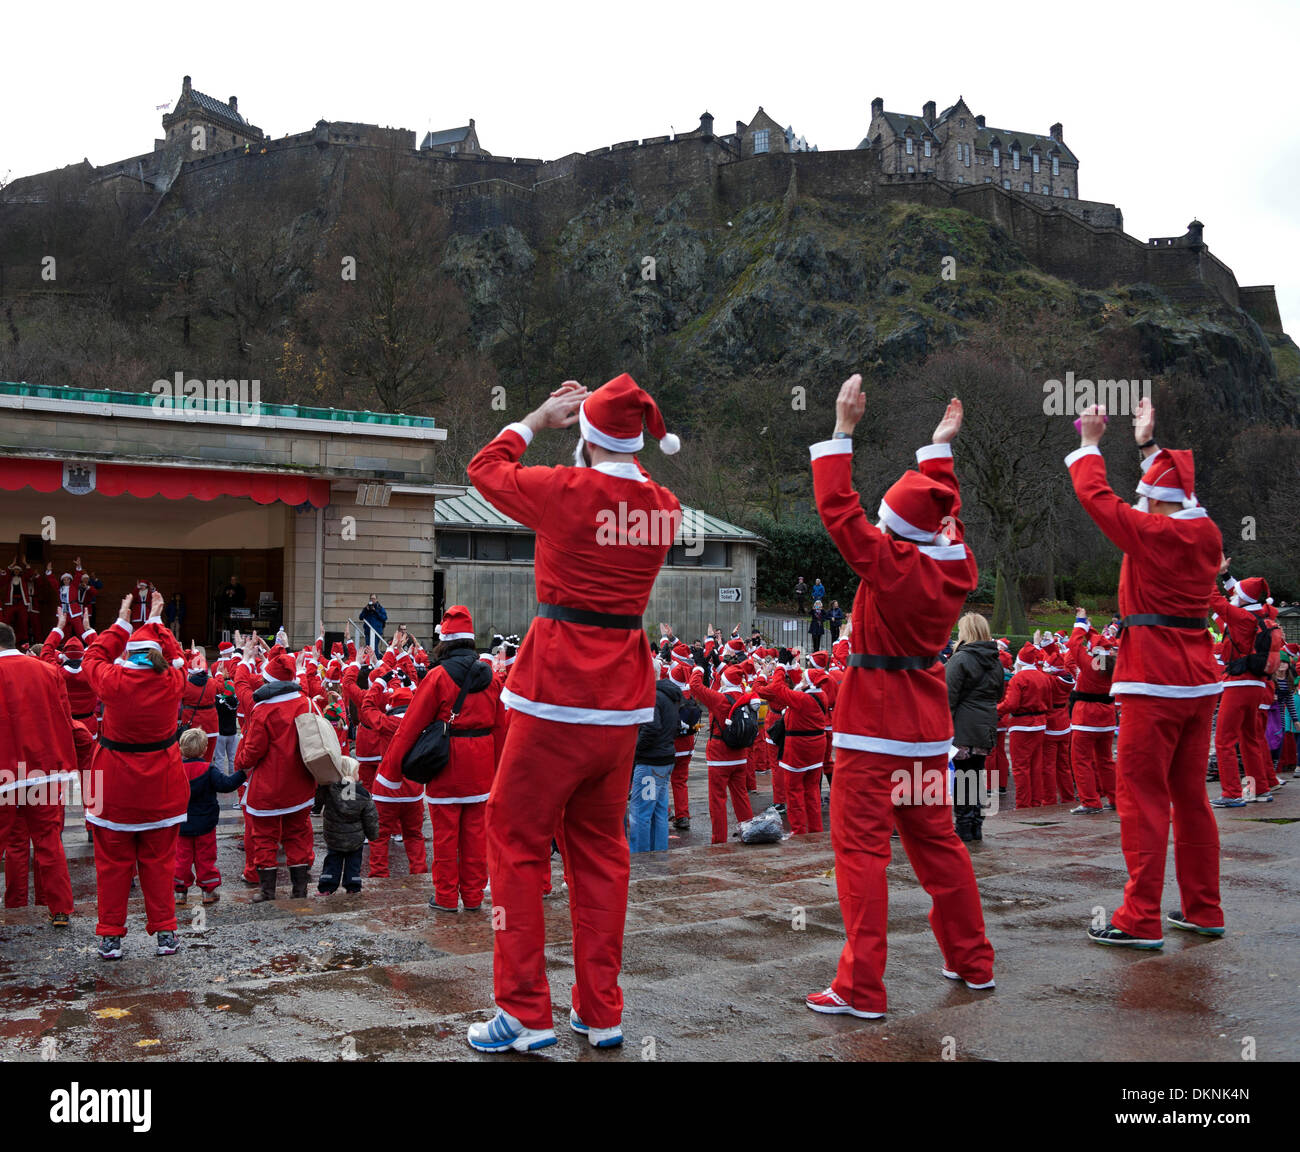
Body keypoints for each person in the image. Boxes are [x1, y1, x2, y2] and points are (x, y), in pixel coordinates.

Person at [463, 373, 681, 1054]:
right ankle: (601, 1010)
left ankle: (525, 1011)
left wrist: (536, 416)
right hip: (621, 701)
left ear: (584, 439)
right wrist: (600, 424)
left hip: (555, 690)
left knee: (515, 838)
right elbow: (628, 465)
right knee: (601, 852)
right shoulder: (665, 506)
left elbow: (485, 468)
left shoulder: (565, 489)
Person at [804, 378, 994, 1019]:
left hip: (870, 727)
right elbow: (948, 511)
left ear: (896, 534)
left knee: (860, 854)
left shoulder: (889, 563)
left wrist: (842, 430)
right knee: (940, 846)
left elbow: (839, 512)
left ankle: (861, 988)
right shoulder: (956, 561)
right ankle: (973, 961)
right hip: (925, 725)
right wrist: (937, 453)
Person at [1069, 398, 1224, 947]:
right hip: (1200, 677)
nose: (1141, 507)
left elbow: (1096, 497)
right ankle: (1204, 907)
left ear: (1157, 506)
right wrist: (1146, 447)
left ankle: (1139, 917)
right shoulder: (1204, 534)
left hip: (1152, 676)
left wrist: (1090, 443)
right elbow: (1176, 491)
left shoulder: (1155, 535)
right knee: (1191, 797)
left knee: (1141, 798)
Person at [81, 592, 190, 959]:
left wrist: (123, 620)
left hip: (112, 789)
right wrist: (157, 621)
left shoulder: (112, 681)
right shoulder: (172, 682)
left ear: (129, 653)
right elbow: (179, 659)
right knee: (160, 865)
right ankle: (165, 935)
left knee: (111, 867)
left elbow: (92, 655)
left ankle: (111, 937)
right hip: (162, 787)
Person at [0, 619, 77, 928]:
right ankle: (59, 908)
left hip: (4, 771)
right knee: (48, 839)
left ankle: (15, 904)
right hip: (41, 770)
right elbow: (63, 718)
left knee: (13, 842)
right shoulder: (47, 671)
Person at [234, 647, 317, 903]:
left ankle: (267, 890)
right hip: (300, 783)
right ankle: (299, 890)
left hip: (268, 786)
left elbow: (252, 751)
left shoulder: (263, 710)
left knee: (265, 837)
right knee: (298, 834)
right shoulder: (306, 702)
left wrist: (240, 763)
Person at [945, 612, 1004, 841]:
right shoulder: (996, 660)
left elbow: (948, 696)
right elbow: (999, 694)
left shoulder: (960, 659)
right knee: (976, 775)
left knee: (962, 776)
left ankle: (964, 826)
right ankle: (976, 824)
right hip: (986, 726)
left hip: (962, 726)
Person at [174, 726, 245, 905]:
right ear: (205, 749)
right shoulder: (209, 770)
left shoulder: (175, 769)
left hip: (182, 824)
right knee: (205, 858)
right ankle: (208, 891)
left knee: (181, 859)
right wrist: (243, 773)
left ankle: (179, 892)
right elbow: (227, 784)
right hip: (205, 823)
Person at [1065, 610, 1118, 813]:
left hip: (1086, 717)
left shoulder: (1090, 665)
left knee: (1081, 761)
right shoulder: (1111, 664)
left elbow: (1072, 645)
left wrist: (1080, 623)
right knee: (1105, 760)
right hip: (1106, 718)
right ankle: (1114, 798)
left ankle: (1090, 801)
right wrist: (1089, 629)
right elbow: (1099, 643)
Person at [629, 669, 681, 853]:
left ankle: (640, 855)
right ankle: (659, 852)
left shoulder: (652, 697)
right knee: (659, 811)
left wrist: (634, 749)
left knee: (640, 813)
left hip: (650, 761)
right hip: (665, 758)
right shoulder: (668, 695)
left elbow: (651, 728)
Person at [316, 757, 380, 895]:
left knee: (332, 860)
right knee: (354, 863)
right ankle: (353, 886)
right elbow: (370, 817)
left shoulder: (329, 789)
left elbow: (317, 802)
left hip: (333, 836)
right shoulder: (362, 794)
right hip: (355, 838)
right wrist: (373, 835)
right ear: (352, 773)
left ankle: (327, 886)